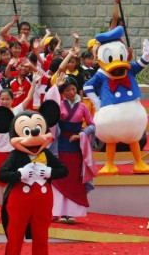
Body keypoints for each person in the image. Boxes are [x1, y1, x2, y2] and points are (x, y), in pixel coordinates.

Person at [51, 77, 96, 224]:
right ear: (62, 92)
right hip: (60, 147)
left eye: (73, 89)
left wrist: (81, 134)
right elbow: (51, 123)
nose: (71, 92)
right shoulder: (58, 105)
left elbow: (93, 125)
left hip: (76, 148)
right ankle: (55, 212)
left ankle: (69, 214)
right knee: (59, 179)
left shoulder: (82, 106)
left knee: (73, 180)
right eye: (67, 90)